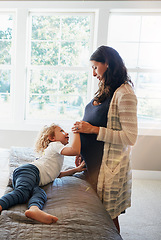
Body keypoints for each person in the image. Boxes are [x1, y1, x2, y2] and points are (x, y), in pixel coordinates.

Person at [72, 45, 138, 233]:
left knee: (107, 218)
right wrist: (83, 152)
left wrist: (93, 130)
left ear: (107, 64)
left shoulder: (125, 94)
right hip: (91, 163)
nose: (93, 73)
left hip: (107, 167)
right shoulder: (106, 88)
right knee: (95, 216)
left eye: (95, 67)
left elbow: (130, 137)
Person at [0, 123, 86, 230]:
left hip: (34, 178)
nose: (66, 133)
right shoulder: (55, 145)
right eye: (62, 131)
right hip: (29, 171)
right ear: (52, 138)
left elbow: (57, 174)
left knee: (40, 194)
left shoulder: (56, 154)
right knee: (22, 192)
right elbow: (75, 150)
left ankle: (34, 209)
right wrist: (77, 132)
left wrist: (76, 170)